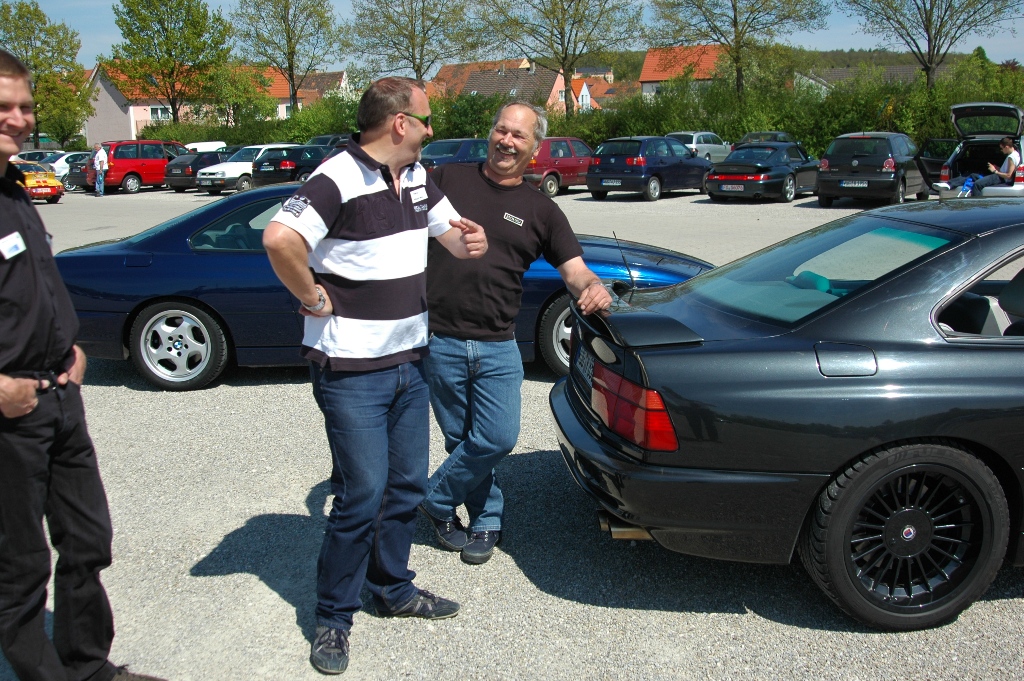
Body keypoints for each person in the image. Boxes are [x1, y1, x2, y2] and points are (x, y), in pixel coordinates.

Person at [262, 76, 488, 676]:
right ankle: (333, 617)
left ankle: (392, 589)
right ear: (399, 123)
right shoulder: (336, 176)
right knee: (361, 495)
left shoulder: (416, 176)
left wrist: (471, 240)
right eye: (426, 119)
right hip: (352, 372)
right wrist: (312, 297)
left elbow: (453, 240)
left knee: (405, 488)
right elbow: (280, 239)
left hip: (411, 362)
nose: (432, 129)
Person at [0, 49, 164, 681]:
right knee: (19, 566)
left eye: (25, 107)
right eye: (4, 107)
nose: (19, 119)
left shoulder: (15, 189)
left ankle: (88, 667)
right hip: (10, 413)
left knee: (88, 540)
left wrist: (69, 344)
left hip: (60, 396)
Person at [418, 101, 612, 565]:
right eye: (501, 130)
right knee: (460, 441)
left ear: (535, 147)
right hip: (440, 339)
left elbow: (576, 271)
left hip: (498, 345)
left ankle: (434, 499)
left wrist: (594, 287)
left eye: (518, 135)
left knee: (497, 437)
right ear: (491, 133)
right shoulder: (446, 180)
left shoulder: (541, 210)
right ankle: (485, 518)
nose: (506, 141)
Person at [936, 137, 1020, 195]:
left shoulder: (1011, 157)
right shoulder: (1015, 154)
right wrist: (997, 168)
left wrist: (995, 171)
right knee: (972, 174)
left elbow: (1008, 176)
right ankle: (949, 184)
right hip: (999, 176)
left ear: (1007, 147)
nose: (1001, 151)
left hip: (999, 178)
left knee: (977, 185)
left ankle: (977, 207)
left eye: (1002, 148)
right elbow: (1006, 171)